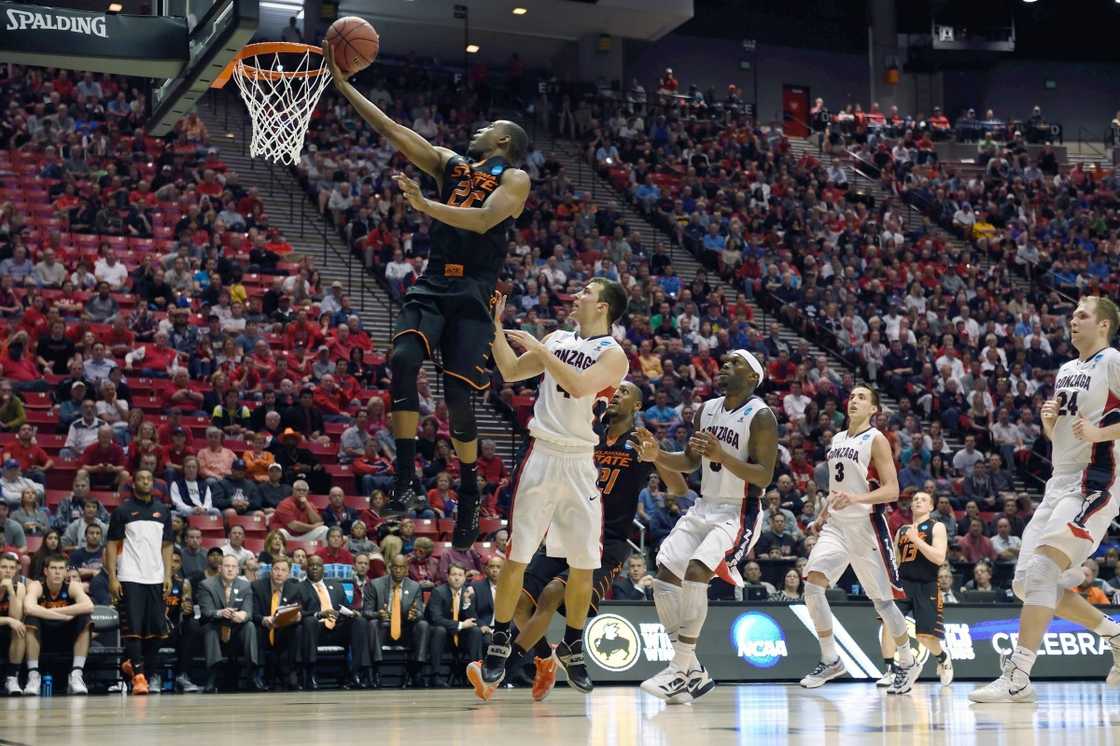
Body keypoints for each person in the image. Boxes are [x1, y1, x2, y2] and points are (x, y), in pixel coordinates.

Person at [325, 47, 531, 550]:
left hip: (474, 292)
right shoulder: (452, 165)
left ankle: (467, 484)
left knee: (459, 399)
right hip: (434, 282)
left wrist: (425, 205)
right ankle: (405, 477)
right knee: (401, 358)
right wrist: (344, 85)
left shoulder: (514, 179)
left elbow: (484, 220)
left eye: (488, 127)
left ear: (502, 139)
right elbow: (394, 130)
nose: (476, 130)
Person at [470, 280, 628, 700]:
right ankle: (500, 638)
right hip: (542, 454)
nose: (577, 295)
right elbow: (510, 371)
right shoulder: (557, 338)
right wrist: (496, 328)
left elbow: (580, 386)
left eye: (586, 292)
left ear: (604, 306)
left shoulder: (614, 355)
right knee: (516, 555)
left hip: (579, 460)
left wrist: (542, 353)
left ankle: (574, 643)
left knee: (582, 564)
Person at [971, 297, 1120, 703]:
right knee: (1026, 584)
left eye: (1082, 315)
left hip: (1096, 482)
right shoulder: (1067, 369)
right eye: (1073, 315)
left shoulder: (1112, 361)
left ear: (1104, 325)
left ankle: (1018, 674)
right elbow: (1065, 439)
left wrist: (1103, 435)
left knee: (1041, 571)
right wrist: (1050, 424)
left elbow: (1099, 432)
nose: (1073, 320)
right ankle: (1114, 632)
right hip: (1059, 482)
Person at [506, 381, 685, 701]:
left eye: (625, 392)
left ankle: (507, 662)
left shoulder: (641, 442)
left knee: (551, 594)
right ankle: (545, 659)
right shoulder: (587, 432)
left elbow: (679, 488)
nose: (616, 394)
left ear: (638, 407)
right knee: (521, 604)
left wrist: (658, 457)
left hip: (608, 543)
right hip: (564, 531)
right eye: (614, 391)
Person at [631, 349, 778, 704]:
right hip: (705, 506)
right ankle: (693, 672)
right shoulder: (706, 410)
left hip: (739, 511)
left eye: (735, 364)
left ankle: (678, 669)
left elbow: (764, 476)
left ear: (752, 378)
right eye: (724, 362)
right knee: (665, 576)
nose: (725, 366)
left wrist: (722, 455)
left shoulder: (761, 416)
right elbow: (689, 462)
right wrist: (657, 456)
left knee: (698, 570)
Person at [800, 385, 917, 694]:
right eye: (852, 396)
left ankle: (906, 660)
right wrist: (823, 514)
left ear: (874, 410)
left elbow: (892, 490)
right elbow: (837, 488)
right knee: (812, 587)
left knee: (883, 603)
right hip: (837, 527)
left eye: (862, 397)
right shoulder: (837, 439)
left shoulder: (876, 439)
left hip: (868, 527)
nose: (854, 400)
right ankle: (831, 658)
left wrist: (855, 498)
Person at [105, 469, 174, 696]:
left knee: (157, 632)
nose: (146, 481)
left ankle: (133, 665)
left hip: (155, 577)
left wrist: (167, 575)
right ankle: (140, 677)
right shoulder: (123, 511)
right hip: (130, 576)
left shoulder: (163, 511)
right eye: (141, 478)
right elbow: (112, 545)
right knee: (132, 630)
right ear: (133, 483)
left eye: (149, 479)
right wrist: (113, 577)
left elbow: (167, 546)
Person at [878, 491, 954, 688]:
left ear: (931, 507)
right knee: (889, 622)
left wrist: (917, 540)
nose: (918, 502)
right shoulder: (902, 530)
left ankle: (943, 658)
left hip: (927, 584)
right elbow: (896, 559)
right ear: (911, 506)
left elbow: (939, 558)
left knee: (924, 636)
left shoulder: (936, 527)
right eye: (915, 500)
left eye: (923, 499)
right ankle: (889, 671)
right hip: (903, 584)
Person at [23, 554, 94, 696]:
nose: (57, 572)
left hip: (65, 636)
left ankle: (76, 674)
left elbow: (89, 606)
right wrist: (61, 615)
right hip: (42, 637)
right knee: (31, 618)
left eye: (61, 568)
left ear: (65, 571)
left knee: (85, 618)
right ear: (45, 571)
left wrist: (53, 611)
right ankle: (33, 675)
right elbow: (28, 608)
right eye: (53, 568)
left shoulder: (72, 586)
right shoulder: (37, 586)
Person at [299, 555, 371, 690]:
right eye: (311, 565)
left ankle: (355, 673)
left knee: (359, 622)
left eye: (318, 565)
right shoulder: (299, 587)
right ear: (306, 568)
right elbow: (298, 613)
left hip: (337, 629)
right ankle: (311, 674)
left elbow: (345, 607)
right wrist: (319, 614)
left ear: (323, 569)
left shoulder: (336, 585)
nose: (315, 568)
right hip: (315, 631)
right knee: (310, 621)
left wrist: (352, 612)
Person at [196, 555, 263, 692]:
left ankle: (252, 673)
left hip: (236, 628)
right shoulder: (206, 585)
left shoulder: (245, 586)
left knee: (249, 626)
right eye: (227, 566)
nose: (230, 570)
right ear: (220, 568)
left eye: (233, 567)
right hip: (216, 626)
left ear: (238, 570)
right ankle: (213, 675)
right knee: (210, 628)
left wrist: (242, 615)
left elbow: (248, 612)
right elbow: (206, 612)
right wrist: (220, 613)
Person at [363, 553, 429, 688]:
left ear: (406, 569)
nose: (398, 570)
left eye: (401, 567)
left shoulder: (414, 586)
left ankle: (415, 671)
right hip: (384, 627)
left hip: (406, 628)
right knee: (373, 623)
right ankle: (376, 670)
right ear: (389, 568)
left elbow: (420, 613)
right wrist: (378, 614)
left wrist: (414, 615)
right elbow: (366, 612)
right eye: (395, 567)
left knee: (423, 625)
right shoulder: (375, 585)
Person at [251, 556, 303, 691]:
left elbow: (297, 610)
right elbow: (253, 612)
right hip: (263, 627)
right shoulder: (257, 586)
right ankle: (260, 674)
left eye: (283, 570)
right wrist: (264, 619)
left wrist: (296, 617)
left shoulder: (294, 589)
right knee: (254, 628)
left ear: (288, 573)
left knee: (297, 628)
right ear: (271, 571)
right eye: (276, 569)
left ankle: (291, 673)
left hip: (283, 629)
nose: (279, 573)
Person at [428, 562, 482, 687]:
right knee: (439, 630)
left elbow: (472, 619)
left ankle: (475, 675)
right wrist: (461, 625)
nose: (457, 578)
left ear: (464, 578)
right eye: (453, 574)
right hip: (444, 636)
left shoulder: (469, 592)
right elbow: (436, 619)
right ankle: (435, 676)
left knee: (475, 631)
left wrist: (467, 603)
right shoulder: (438, 591)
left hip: (461, 637)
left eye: (460, 575)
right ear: (448, 576)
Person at [0, 552, 27, 695]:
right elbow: (11, 619)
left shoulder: (19, 587)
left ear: (16, 570)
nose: (8, 571)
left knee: (20, 629)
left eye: (11, 567)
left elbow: (16, 617)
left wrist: (10, 591)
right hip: (4, 624)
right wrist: (8, 620)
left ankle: (12, 678)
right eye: (4, 567)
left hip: (8, 631)